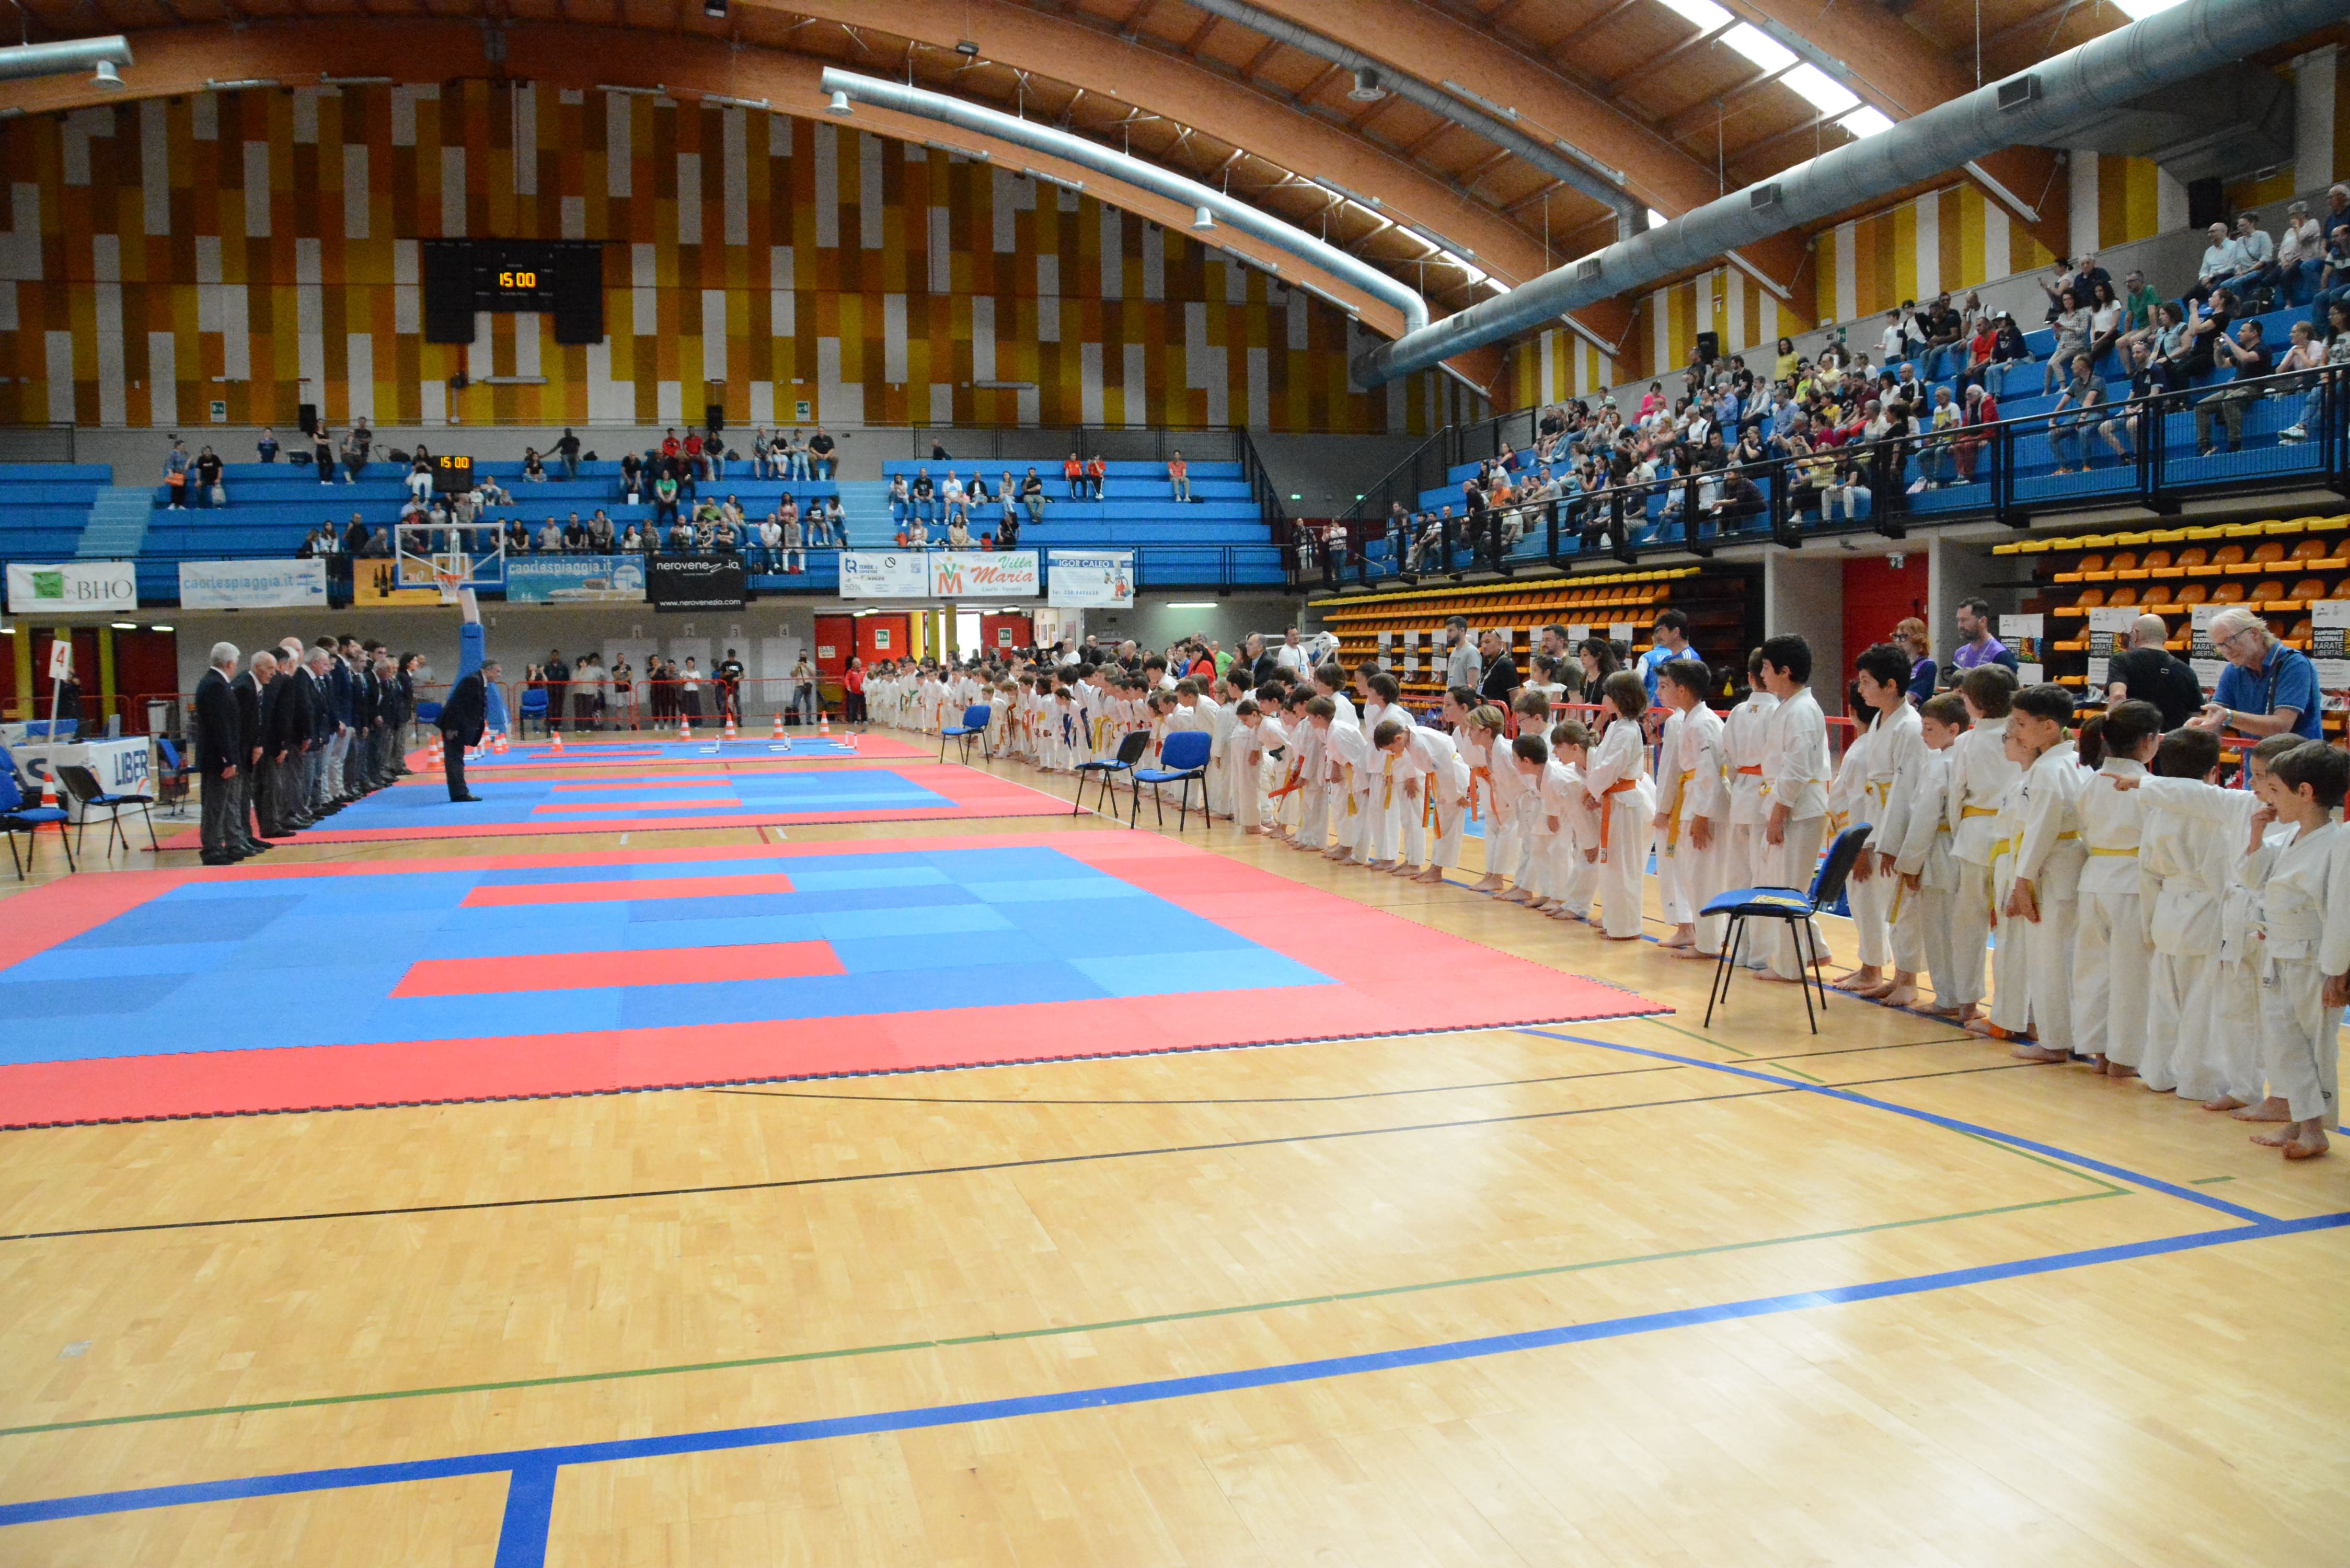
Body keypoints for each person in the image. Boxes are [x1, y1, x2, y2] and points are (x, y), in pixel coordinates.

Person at [1999, 684, 2089, 1064]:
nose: (2016, 732)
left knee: (2049, 959)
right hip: (2062, 868)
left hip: (2050, 871)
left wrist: (2022, 881)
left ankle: (2054, 1042)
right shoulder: (2071, 762)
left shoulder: (2050, 770)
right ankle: (2066, 1036)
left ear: (2049, 727)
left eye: (2021, 724)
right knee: (2061, 959)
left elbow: (2040, 831)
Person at [1756, 635, 1830, 983]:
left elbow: (1798, 769)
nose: (1762, 674)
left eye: (1767, 668)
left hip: (1799, 808)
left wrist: (1778, 813)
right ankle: (1813, 947)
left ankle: (1790, 966)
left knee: (1788, 888)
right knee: (1785, 882)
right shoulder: (1791, 705)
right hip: (1793, 804)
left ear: (1786, 671)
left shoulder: (1801, 710)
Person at [2195, 605, 2323, 742]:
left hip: (2297, 760)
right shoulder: (2232, 670)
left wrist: (2228, 716)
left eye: (2231, 640)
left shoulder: (2294, 664)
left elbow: (2281, 727)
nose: (2227, 650)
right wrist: (2200, 729)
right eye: (2220, 645)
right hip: (2256, 760)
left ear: (2254, 633)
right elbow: (2215, 721)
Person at [193, 642, 249, 864]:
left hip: (216, 755)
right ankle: (212, 849)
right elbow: (221, 726)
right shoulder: (216, 686)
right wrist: (228, 759)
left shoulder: (213, 683)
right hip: (217, 757)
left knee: (220, 803)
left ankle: (218, 845)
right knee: (215, 805)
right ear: (229, 664)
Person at [2103, 613, 2202, 728]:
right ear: (2166, 636)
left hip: (2134, 736)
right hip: (2170, 740)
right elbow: (2195, 715)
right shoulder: (2187, 671)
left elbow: (2118, 695)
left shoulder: (2121, 660)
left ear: (2135, 635)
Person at [438, 659, 496, 802]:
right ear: (487, 670)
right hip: (454, 726)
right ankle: (459, 793)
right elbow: (455, 705)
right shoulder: (472, 681)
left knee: (457, 758)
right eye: (497, 671)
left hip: (460, 726)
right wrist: (452, 727)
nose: (499, 675)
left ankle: (460, 791)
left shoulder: (479, 682)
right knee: (454, 759)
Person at [1951, 597, 2016, 677]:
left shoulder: (2000, 654)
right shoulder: (1959, 654)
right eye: (1959, 620)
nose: (1960, 625)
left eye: (1964, 620)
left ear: (1982, 621)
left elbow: (2010, 688)